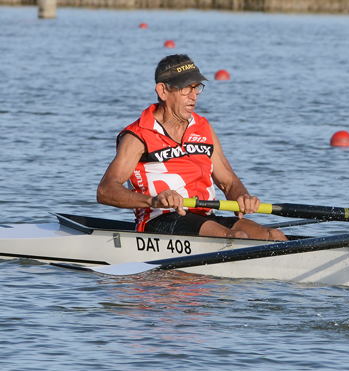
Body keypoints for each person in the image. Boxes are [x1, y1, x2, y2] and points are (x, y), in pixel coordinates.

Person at [96, 54, 285, 240]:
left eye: (196, 88)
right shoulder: (138, 135)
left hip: (205, 216)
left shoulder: (203, 128)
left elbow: (229, 182)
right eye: (186, 89)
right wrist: (153, 200)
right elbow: (106, 191)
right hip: (161, 219)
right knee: (237, 238)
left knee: (273, 235)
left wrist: (243, 197)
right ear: (163, 91)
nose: (193, 96)